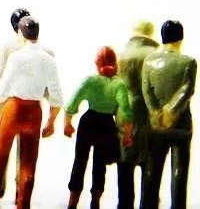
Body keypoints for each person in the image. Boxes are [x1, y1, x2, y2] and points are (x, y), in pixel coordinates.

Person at [0, 16, 63, 209]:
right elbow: (56, 97)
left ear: (21, 34)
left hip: (14, 109)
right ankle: (23, 203)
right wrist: (51, 122)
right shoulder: (49, 59)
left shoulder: (16, 57)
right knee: (29, 162)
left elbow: (2, 89)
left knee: (0, 156)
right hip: (34, 112)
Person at [63, 46, 133, 209]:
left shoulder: (90, 81)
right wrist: (127, 135)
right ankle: (95, 201)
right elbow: (126, 112)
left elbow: (72, 104)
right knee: (100, 164)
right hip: (106, 125)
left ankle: (73, 201)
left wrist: (67, 124)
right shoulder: (119, 84)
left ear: (98, 63)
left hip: (88, 123)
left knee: (80, 161)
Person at [141, 20, 196, 209]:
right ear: (181, 38)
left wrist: (157, 113)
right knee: (179, 172)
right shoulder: (188, 62)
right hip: (181, 125)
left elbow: (146, 91)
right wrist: (170, 112)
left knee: (152, 171)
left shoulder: (149, 62)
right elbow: (187, 90)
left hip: (156, 125)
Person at [116, 21, 159, 209]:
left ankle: (124, 204)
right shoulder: (156, 56)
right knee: (149, 167)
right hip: (149, 116)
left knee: (125, 165)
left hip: (124, 115)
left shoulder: (121, 54)